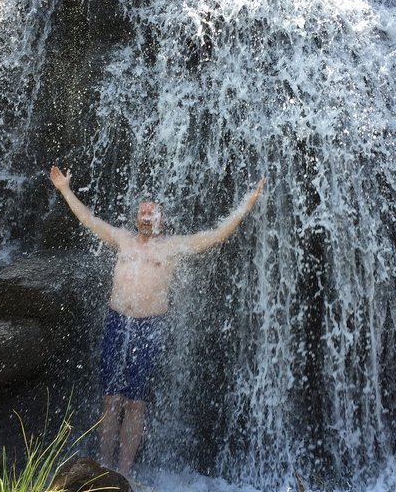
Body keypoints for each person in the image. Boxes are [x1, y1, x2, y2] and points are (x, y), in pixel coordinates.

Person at [49, 165, 264, 475]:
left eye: (152, 212)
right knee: (111, 399)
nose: (147, 216)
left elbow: (216, 236)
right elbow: (88, 219)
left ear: (162, 219)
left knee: (135, 403)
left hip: (150, 328)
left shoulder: (172, 247)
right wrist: (65, 190)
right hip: (116, 322)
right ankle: (103, 466)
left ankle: (122, 473)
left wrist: (247, 203)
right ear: (136, 217)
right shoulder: (122, 239)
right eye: (143, 212)